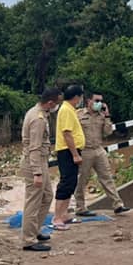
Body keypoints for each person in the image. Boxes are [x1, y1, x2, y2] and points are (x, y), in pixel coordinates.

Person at [73, 91, 130, 217]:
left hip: (99, 149)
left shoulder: (102, 116)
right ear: (89, 101)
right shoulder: (78, 115)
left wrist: (107, 116)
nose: (99, 103)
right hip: (85, 150)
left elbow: (108, 133)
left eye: (101, 101)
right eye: (96, 100)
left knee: (107, 177)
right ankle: (80, 207)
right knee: (82, 180)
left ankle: (117, 205)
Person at [20, 88, 61, 252]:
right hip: (34, 163)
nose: (56, 106)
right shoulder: (38, 119)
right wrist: (37, 173)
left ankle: (35, 230)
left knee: (47, 196)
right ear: (50, 103)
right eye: (56, 103)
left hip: (40, 161)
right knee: (33, 202)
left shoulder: (39, 113)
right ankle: (28, 240)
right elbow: (34, 148)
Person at [51, 85, 85, 230]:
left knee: (71, 182)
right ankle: (57, 217)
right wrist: (75, 154)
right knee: (66, 183)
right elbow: (67, 133)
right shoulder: (65, 110)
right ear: (76, 97)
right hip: (67, 151)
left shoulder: (70, 110)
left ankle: (64, 214)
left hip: (72, 150)